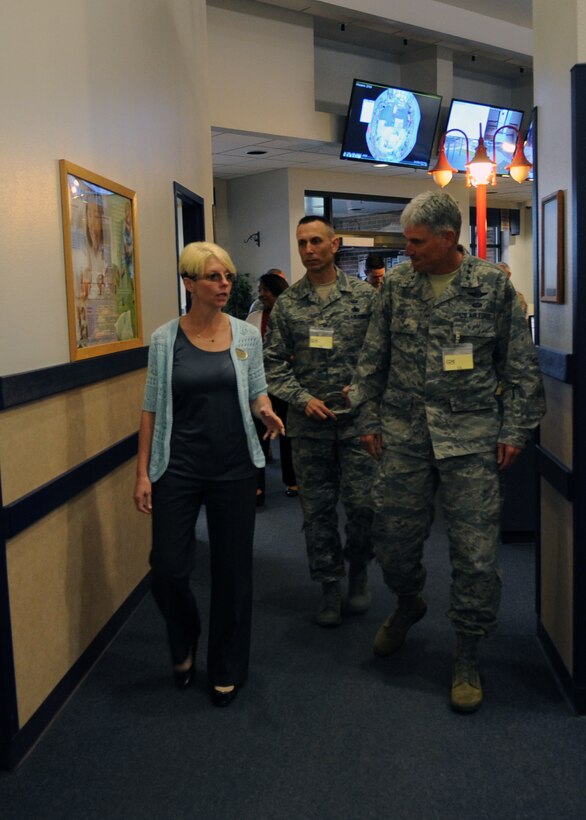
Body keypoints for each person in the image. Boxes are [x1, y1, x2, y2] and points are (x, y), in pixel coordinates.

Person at [348, 190, 545, 713]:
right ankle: (409, 602)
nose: (406, 250)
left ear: (447, 238)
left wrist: (514, 431)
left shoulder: (492, 289)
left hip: (472, 440)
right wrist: (366, 417)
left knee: (476, 557)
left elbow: (519, 366)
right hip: (405, 435)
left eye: (415, 242)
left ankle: (468, 651)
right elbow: (372, 358)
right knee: (389, 538)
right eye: (406, 241)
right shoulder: (396, 289)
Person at [133, 241, 284, 708]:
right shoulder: (164, 339)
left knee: (233, 573)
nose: (225, 285)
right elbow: (151, 408)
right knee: (169, 570)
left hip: (234, 468)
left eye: (228, 278)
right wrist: (142, 473)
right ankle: (185, 639)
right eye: (214, 278)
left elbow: (257, 391)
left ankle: (226, 665)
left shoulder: (246, 336)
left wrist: (266, 412)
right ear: (189, 283)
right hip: (176, 468)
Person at [264, 215, 377, 627]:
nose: (308, 250)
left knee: (364, 507)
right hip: (309, 428)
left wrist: (363, 389)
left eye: (316, 241)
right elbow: (272, 364)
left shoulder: (366, 298)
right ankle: (329, 585)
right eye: (302, 244)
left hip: (357, 424)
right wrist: (301, 397)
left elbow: (381, 358)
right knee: (318, 512)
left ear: (335, 244)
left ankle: (359, 569)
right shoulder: (289, 304)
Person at [247, 272, 298, 502]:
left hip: (286, 385)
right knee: (258, 436)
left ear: (277, 292)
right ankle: (257, 486)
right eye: (260, 290)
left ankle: (293, 480)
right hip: (260, 386)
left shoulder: (294, 316)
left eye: (265, 290)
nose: (261, 294)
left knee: (288, 435)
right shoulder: (254, 318)